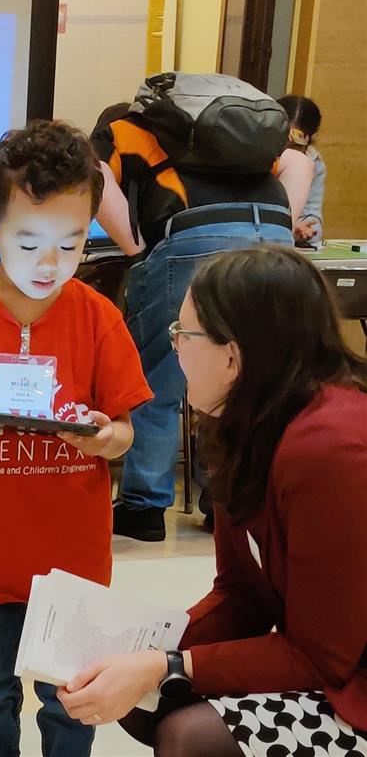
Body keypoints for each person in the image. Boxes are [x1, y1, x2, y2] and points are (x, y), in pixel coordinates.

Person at [0, 121, 153, 757]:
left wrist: (103, 440)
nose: (50, 264)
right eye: (29, 241)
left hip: (72, 557)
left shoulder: (98, 318)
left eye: (70, 246)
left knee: (71, 699)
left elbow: (124, 431)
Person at [55, 246, 367, 757]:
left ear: (233, 353)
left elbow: (322, 657)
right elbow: (242, 594)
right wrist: (141, 650)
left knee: (190, 735)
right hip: (335, 668)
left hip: (353, 684)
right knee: (143, 697)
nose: (174, 348)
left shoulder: (333, 448)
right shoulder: (249, 426)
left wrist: (167, 665)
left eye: (183, 335)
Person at [92, 85, 311, 541]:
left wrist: (137, 248)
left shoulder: (121, 130)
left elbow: (90, 172)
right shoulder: (234, 143)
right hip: (271, 237)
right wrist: (276, 225)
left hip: (192, 240)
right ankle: (226, 498)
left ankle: (143, 507)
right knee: (247, 373)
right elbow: (300, 161)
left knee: (161, 371)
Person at [280, 95, 327, 245]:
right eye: (281, 146)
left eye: (294, 148)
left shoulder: (314, 164)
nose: (287, 155)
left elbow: (313, 220)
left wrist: (303, 231)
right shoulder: (255, 156)